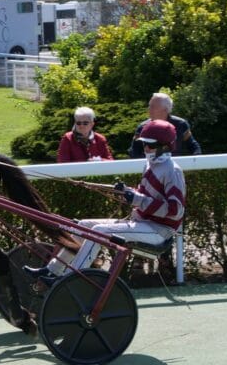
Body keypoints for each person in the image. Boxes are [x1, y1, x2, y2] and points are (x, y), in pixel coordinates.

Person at [25, 120, 186, 285]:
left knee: (99, 231)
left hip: (159, 231)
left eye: (150, 145)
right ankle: (53, 270)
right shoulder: (150, 165)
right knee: (83, 225)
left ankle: (71, 279)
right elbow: (147, 196)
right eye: (144, 144)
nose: (146, 148)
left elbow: (176, 210)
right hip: (141, 223)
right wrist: (127, 191)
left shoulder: (172, 171)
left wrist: (137, 199)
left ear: (165, 146)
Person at [128, 92, 201, 158]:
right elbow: (134, 151)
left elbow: (194, 147)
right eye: (149, 106)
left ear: (165, 109)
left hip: (174, 169)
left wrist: (195, 163)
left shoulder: (181, 125)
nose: (149, 109)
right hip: (151, 169)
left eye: (153, 106)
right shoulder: (142, 127)